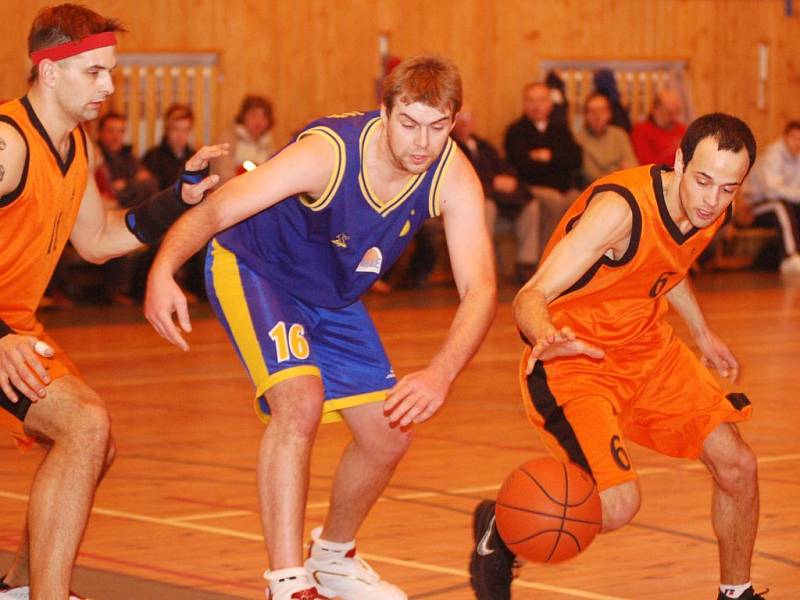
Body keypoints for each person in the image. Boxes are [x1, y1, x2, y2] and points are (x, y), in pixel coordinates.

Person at [144, 55, 496, 600]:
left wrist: (441, 373)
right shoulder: (328, 153)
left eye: (437, 125)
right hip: (256, 267)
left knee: (388, 433)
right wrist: (163, 269)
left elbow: (481, 288)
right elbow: (217, 212)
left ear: (455, 121)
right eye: (409, 122)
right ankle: (287, 583)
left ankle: (333, 557)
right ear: (384, 113)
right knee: (300, 402)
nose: (422, 141)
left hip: (331, 294)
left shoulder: (451, 172)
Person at [470, 113, 766, 600]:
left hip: (648, 350)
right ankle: (503, 530)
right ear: (678, 162)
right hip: (574, 357)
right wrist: (547, 336)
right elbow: (530, 294)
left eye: (729, 188)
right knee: (617, 505)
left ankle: (736, 594)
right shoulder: (619, 212)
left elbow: (669, 264)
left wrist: (702, 331)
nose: (713, 200)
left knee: (738, 466)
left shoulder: (710, 207)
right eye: (704, 181)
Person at [0, 5, 223, 598]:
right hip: (0, 334)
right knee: (84, 425)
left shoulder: (77, 146)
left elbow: (98, 243)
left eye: (111, 71)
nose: (108, 85)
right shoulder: (5, 143)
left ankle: (19, 587)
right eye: (94, 72)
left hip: (14, 328)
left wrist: (180, 198)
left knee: (94, 443)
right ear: (48, 71)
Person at [505, 82, 582, 279]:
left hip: (564, 187)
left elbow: (575, 158)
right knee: (553, 200)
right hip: (531, 187)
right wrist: (556, 160)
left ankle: (576, 260)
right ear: (524, 104)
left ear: (549, 104)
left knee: (582, 199)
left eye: (541, 100)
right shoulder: (516, 131)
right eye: (531, 100)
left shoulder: (560, 129)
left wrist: (548, 156)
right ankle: (545, 260)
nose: (536, 105)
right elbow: (522, 164)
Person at [451, 105, 534, 282]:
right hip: (473, 202)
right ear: (451, 120)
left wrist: (510, 181)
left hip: (499, 199)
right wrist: (492, 183)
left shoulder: (484, 146)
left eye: (468, 116)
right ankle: (481, 266)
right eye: (460, 116)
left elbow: (504, 167)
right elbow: (460, 178)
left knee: (531, 205)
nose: (465, 121)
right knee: (485, 206)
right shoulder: (449, 147)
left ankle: (525, 264)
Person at [739, 120, 800, 274]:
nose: (797, 143)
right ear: (785, 137)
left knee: (785, 206)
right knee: (779, 206)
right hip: (753, 208)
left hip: (785, 205)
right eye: (794, 138)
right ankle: (789, 257)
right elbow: (771, 192)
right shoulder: (773, 155)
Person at [574, 92, 638, 185]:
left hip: (624, 186)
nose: (597, 116)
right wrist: (619, 170)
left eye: (602, 110)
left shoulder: (619, 135)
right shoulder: (579, 139)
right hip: (593, 191)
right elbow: (591, 175)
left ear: (609, 114)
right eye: (592, 111)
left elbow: (632, 168)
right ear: (586, 115)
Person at [213, 94, 276, 184]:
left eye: (263, 116)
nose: (258, 120)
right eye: (253, 115)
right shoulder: (228, 137)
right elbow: (224, 174)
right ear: (243, 116)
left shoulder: (268, 142)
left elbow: (273, 172)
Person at [631, 88, 687, 167]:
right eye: (669, 112)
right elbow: (647, 165)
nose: (674, 117)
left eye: (677, 112)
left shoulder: (682, 128)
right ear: (656, 109)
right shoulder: (641, 131)